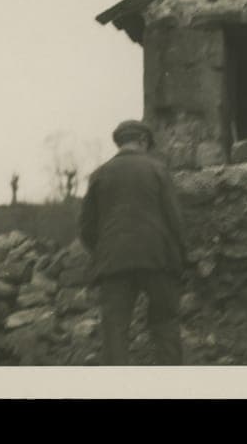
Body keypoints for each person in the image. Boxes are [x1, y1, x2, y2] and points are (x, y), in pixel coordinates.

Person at [80, 120, 187, 365]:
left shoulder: (99, 174)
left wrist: (103, 250)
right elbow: (175, 219)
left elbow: (86, 227)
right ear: (143, 141)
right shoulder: (158, 170)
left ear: (119, 142)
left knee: (114, 331)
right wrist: (181, 255)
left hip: (113, 262)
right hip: (157, 259)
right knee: (165, 324)